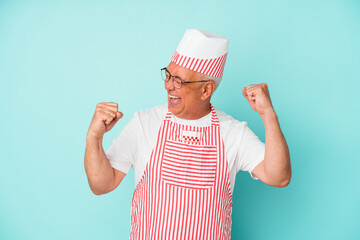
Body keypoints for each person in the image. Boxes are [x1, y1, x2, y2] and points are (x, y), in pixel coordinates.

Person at [84, 29, 291, 239]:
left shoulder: (233, 133)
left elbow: (279, 177)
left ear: (206, 90)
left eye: (179, 81)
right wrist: (94, 138)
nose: (168, 86)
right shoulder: (144, 123)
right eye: (168, 75)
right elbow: (102, 185)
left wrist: (268, 115)